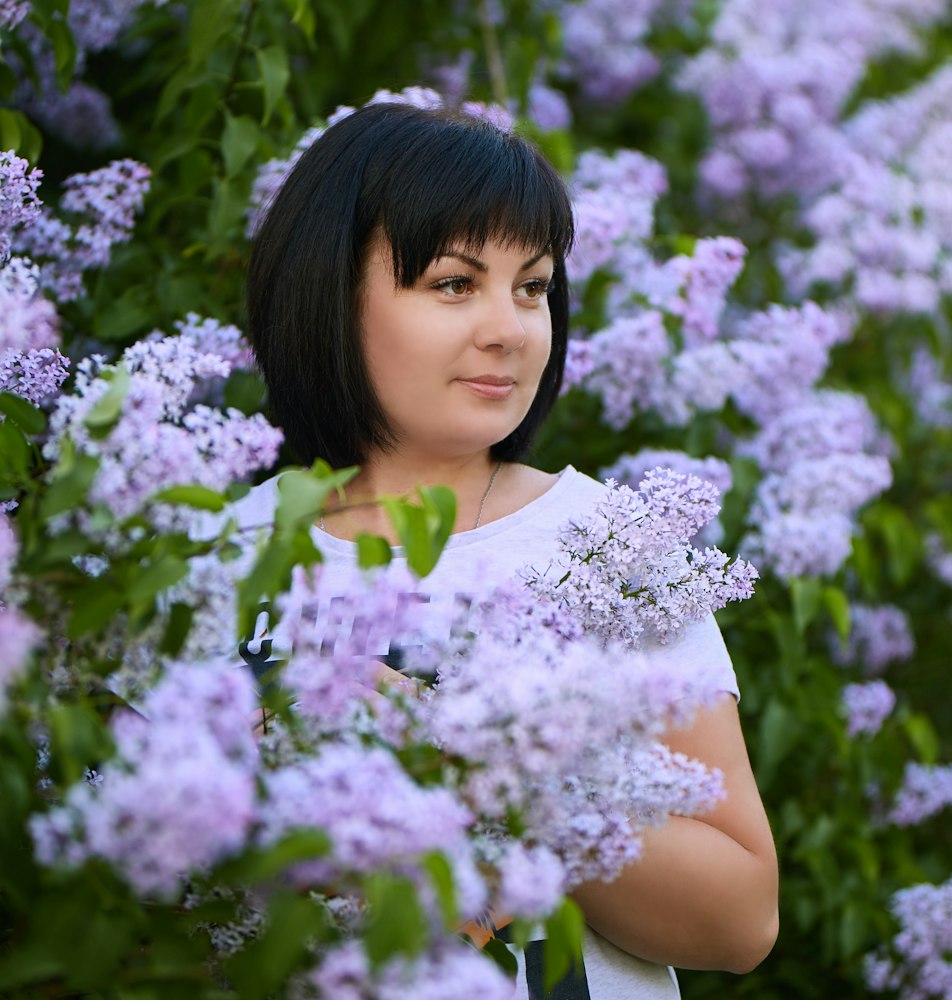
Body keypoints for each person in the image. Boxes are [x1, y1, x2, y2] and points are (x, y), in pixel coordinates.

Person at [241, 99, 779, 999]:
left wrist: (472, 763)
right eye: (455, 283)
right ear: (328, 291)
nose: (511, 327)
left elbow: (740, 919)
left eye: (532, 287)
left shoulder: (614, 545)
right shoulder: (208, 560)